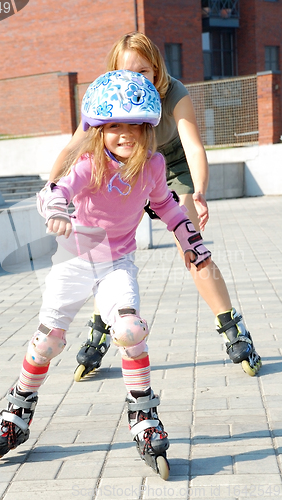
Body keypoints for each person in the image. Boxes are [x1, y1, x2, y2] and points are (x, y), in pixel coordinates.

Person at [0, 70, 212, 478]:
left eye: (133, 126)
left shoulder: (153, 166)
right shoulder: (90, 165)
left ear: (148, 129)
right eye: (113, 126)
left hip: (116, 263)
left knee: (129, 330)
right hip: (74, 259)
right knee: (48, 343)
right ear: (99, 130)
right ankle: (19, 408)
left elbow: (169, 208)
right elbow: (56, 190)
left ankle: (142, 414)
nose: (124, 135)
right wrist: (56, 213)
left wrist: (190, 241)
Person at [49, 32, 261, 379]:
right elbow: (77, 144)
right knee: (105, 249)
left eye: (143, 72)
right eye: (126, 72)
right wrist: (51, 188)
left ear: (157, 70)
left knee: (191, 246)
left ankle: (231, 326)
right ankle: (102, 329)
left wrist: (200, 191)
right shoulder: (106, 96)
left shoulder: (174, 91)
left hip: (170, 165)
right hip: (120, 165)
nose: (135, 80)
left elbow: (192, 145)